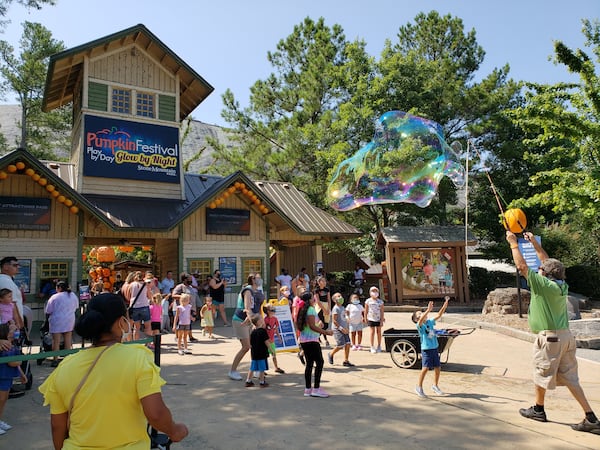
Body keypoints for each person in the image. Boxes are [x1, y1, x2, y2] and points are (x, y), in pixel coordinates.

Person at [39, 293, 188, 449]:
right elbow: (155, 414)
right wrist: (175, 430)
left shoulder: (65, 366)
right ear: (121, 322)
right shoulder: (137, 358)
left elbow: (57, 425)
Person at [507, 230, 600, 434]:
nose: (538, 268)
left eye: (540, 269)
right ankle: (591, 417)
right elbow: (547, 261)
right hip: (566, 336)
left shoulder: (542, 286)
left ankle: (539, 410)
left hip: (550, 338)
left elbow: (521, 266)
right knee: (570, 379)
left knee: (541, 372)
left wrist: (513, 243)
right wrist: (534, 244)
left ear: (544, 274)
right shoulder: (561, 284)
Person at [297, 290, 333, 398]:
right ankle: (316, 388)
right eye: (313, 297)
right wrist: (326, 332)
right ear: (310, 300)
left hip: (304, 340)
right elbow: (312, 326)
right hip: (312, 340)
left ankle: (308, 389)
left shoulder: (302, 309)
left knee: (309, 364)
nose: (314, 299)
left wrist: (320, 323)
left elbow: (313, 323)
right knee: (319, 362)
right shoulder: (311, 309)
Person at [412, 297, 450, 397]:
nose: (422, 314)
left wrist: (445, 304)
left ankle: (435, 386)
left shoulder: (429, 322)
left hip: (434, 348)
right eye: (419, 314)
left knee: (437, 367)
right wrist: (428, 310)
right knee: (425, 368)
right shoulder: (419, 325)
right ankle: (419, 387)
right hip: (426, 349)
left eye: (422, 312)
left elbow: (439, 315)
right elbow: (420, 321)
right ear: (416, 319)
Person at [229, 274, 264, 381]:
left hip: (250, 321)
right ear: (253, 280)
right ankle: (232, 371)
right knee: (246, 347)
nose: (260, 279)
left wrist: (259, 321)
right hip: (241, 321)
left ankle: (256, 370)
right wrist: (251, 318)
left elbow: (257, 308)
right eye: (258, 277)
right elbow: (247, 307)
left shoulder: (257, 291)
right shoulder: (248, 290)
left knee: (255, 346)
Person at [0, 322, 27, 435]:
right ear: (6, 334)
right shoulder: (5, 347)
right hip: (2, 377)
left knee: (4, 399)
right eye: (13, 330)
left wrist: (22, 374)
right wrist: (19, 361)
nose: (16, 332)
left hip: (8, 377)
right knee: (1, 400)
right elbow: (13, 362)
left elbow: (17, 364)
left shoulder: (13, 346)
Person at [45, 281, 79, 367]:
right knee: (68, 339)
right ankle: (67, 358)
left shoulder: (55, 297)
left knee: (56, 341)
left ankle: (55, 359)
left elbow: (48, 310)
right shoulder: (73, 296)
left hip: (57, 320)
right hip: (69, 319)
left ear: (59, 288)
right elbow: (76, 307)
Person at [328, 293, 354, 367]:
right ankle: (331, 353)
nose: (340, 297)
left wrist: (347, 327)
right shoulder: (335, 308)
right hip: (337, 329)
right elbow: (334, 320)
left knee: (348, 343)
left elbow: (345, 318)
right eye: (338, 296)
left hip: (344, 328)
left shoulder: (343, 307)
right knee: (341, 344)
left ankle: (346, 360)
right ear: (334, 300)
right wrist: (341, 329)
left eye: (341, 296)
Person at [126, 271, 152, 341]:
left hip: (134, 307)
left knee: (136, 327)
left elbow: (128, 296)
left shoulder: (131, 285)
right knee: (148, 326)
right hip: (144, 306)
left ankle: (136, 343)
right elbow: (149, 296)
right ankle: (148, 342)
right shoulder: (146, 285)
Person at [245, 314, 270, 388]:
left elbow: (250, 341)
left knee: (252, 368)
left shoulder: (252, 331)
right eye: (262, 319)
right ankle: (262, 382)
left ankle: (248, 381)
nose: (263, 320)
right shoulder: (263, 331)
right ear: (259, 322)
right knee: (261, 369)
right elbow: (267, 342)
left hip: (254, 353)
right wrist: (271, 350)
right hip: (261, 353)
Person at [172, 273, 198, 342]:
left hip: (189, 308)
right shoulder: (180, 287)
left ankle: (190, 336)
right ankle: (177, 337)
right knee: (179, 324)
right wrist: (183, 297)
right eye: (189, 278)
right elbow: (173, 295)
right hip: (180, 309)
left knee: (189, 323)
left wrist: (194, 309)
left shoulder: (191, 287)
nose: (191, 280)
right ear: (184, 279)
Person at [0, 257, 24, 326]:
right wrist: (19, 323)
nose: (17, 267)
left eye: (18, 265)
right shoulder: (5, 281)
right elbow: (12, 303)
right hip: (9, 323)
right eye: (15, 265)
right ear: (5, 267)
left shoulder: (7, 280)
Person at [263, 305, 284, 374]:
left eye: (274, 310)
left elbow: (276, 329)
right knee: (264, 356)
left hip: (272, 340)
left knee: (274, 354)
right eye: (272, 310)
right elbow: (263, 330)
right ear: (267, 311)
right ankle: (262, 370)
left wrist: (279, 337)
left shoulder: (275, 319)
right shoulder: (265, 320)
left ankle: (276, 367)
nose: (274, 311)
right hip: (265, 341)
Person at [365, 286, 385, 353]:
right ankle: (372, 346)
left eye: (376, 291)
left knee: (379, 332)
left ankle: (379, 345)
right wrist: (365, 318)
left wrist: (382, 320)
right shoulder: (368, 301)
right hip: (371, 318)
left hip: (378, 319)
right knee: (372, 332)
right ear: (370, 293)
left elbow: (382, 311)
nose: (374, 293)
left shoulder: (380, 302)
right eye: (373, 291)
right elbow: (366, 310)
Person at [314, 277, 332, 348]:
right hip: (320, 307)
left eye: (325, 281)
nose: (324, 282)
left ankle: (319, 337)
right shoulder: (316, 290)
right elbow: (318, 301)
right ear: (319, 282)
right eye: (323, 281)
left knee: (326, 324)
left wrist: (329, 308)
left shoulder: (327, 289)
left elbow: (329, 299)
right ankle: (323, 339)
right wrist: (324, 309)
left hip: (326, 305)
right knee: (320, 324)